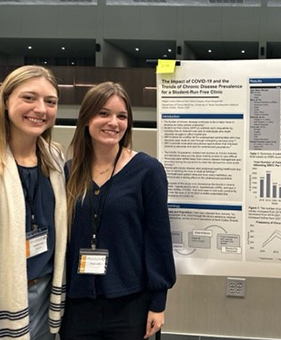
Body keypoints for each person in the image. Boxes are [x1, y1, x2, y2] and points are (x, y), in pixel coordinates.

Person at [61, 82, 176, 340]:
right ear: (86, 118)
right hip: (78, 304)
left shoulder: (147, 170)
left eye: (121, 116)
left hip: (130, 303)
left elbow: (158, 239)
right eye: (104, 113)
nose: (113, 122)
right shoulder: (68, 172)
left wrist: (159, 301)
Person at [0, 65, 67, 340]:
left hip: (45, 292)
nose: (41, 109)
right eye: (29, 98)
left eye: (50, 101)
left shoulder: (53, 158)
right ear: (6, 100)